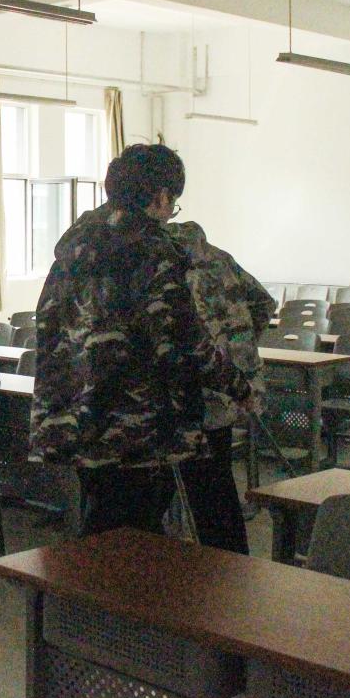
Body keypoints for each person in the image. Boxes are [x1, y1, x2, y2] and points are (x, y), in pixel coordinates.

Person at [31, 144, 228, 544]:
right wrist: (234, 384)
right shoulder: (155, 252)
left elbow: (47, 326)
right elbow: (184, 338)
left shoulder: (72, 251)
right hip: (137, 426)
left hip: (78, 418)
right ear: (160, 196)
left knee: (104, 522)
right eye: (172, 203)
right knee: (133, 537)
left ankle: (87, 586)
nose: (170, 213)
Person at [166, 220, 276, 553]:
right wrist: (240, 344)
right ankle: (231, 561)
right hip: (231, 383)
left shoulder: (172, 266)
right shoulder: (220, 258)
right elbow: (264, 303)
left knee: (204, 485)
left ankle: (215, 561)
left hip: (200, 386)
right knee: (218, 481)